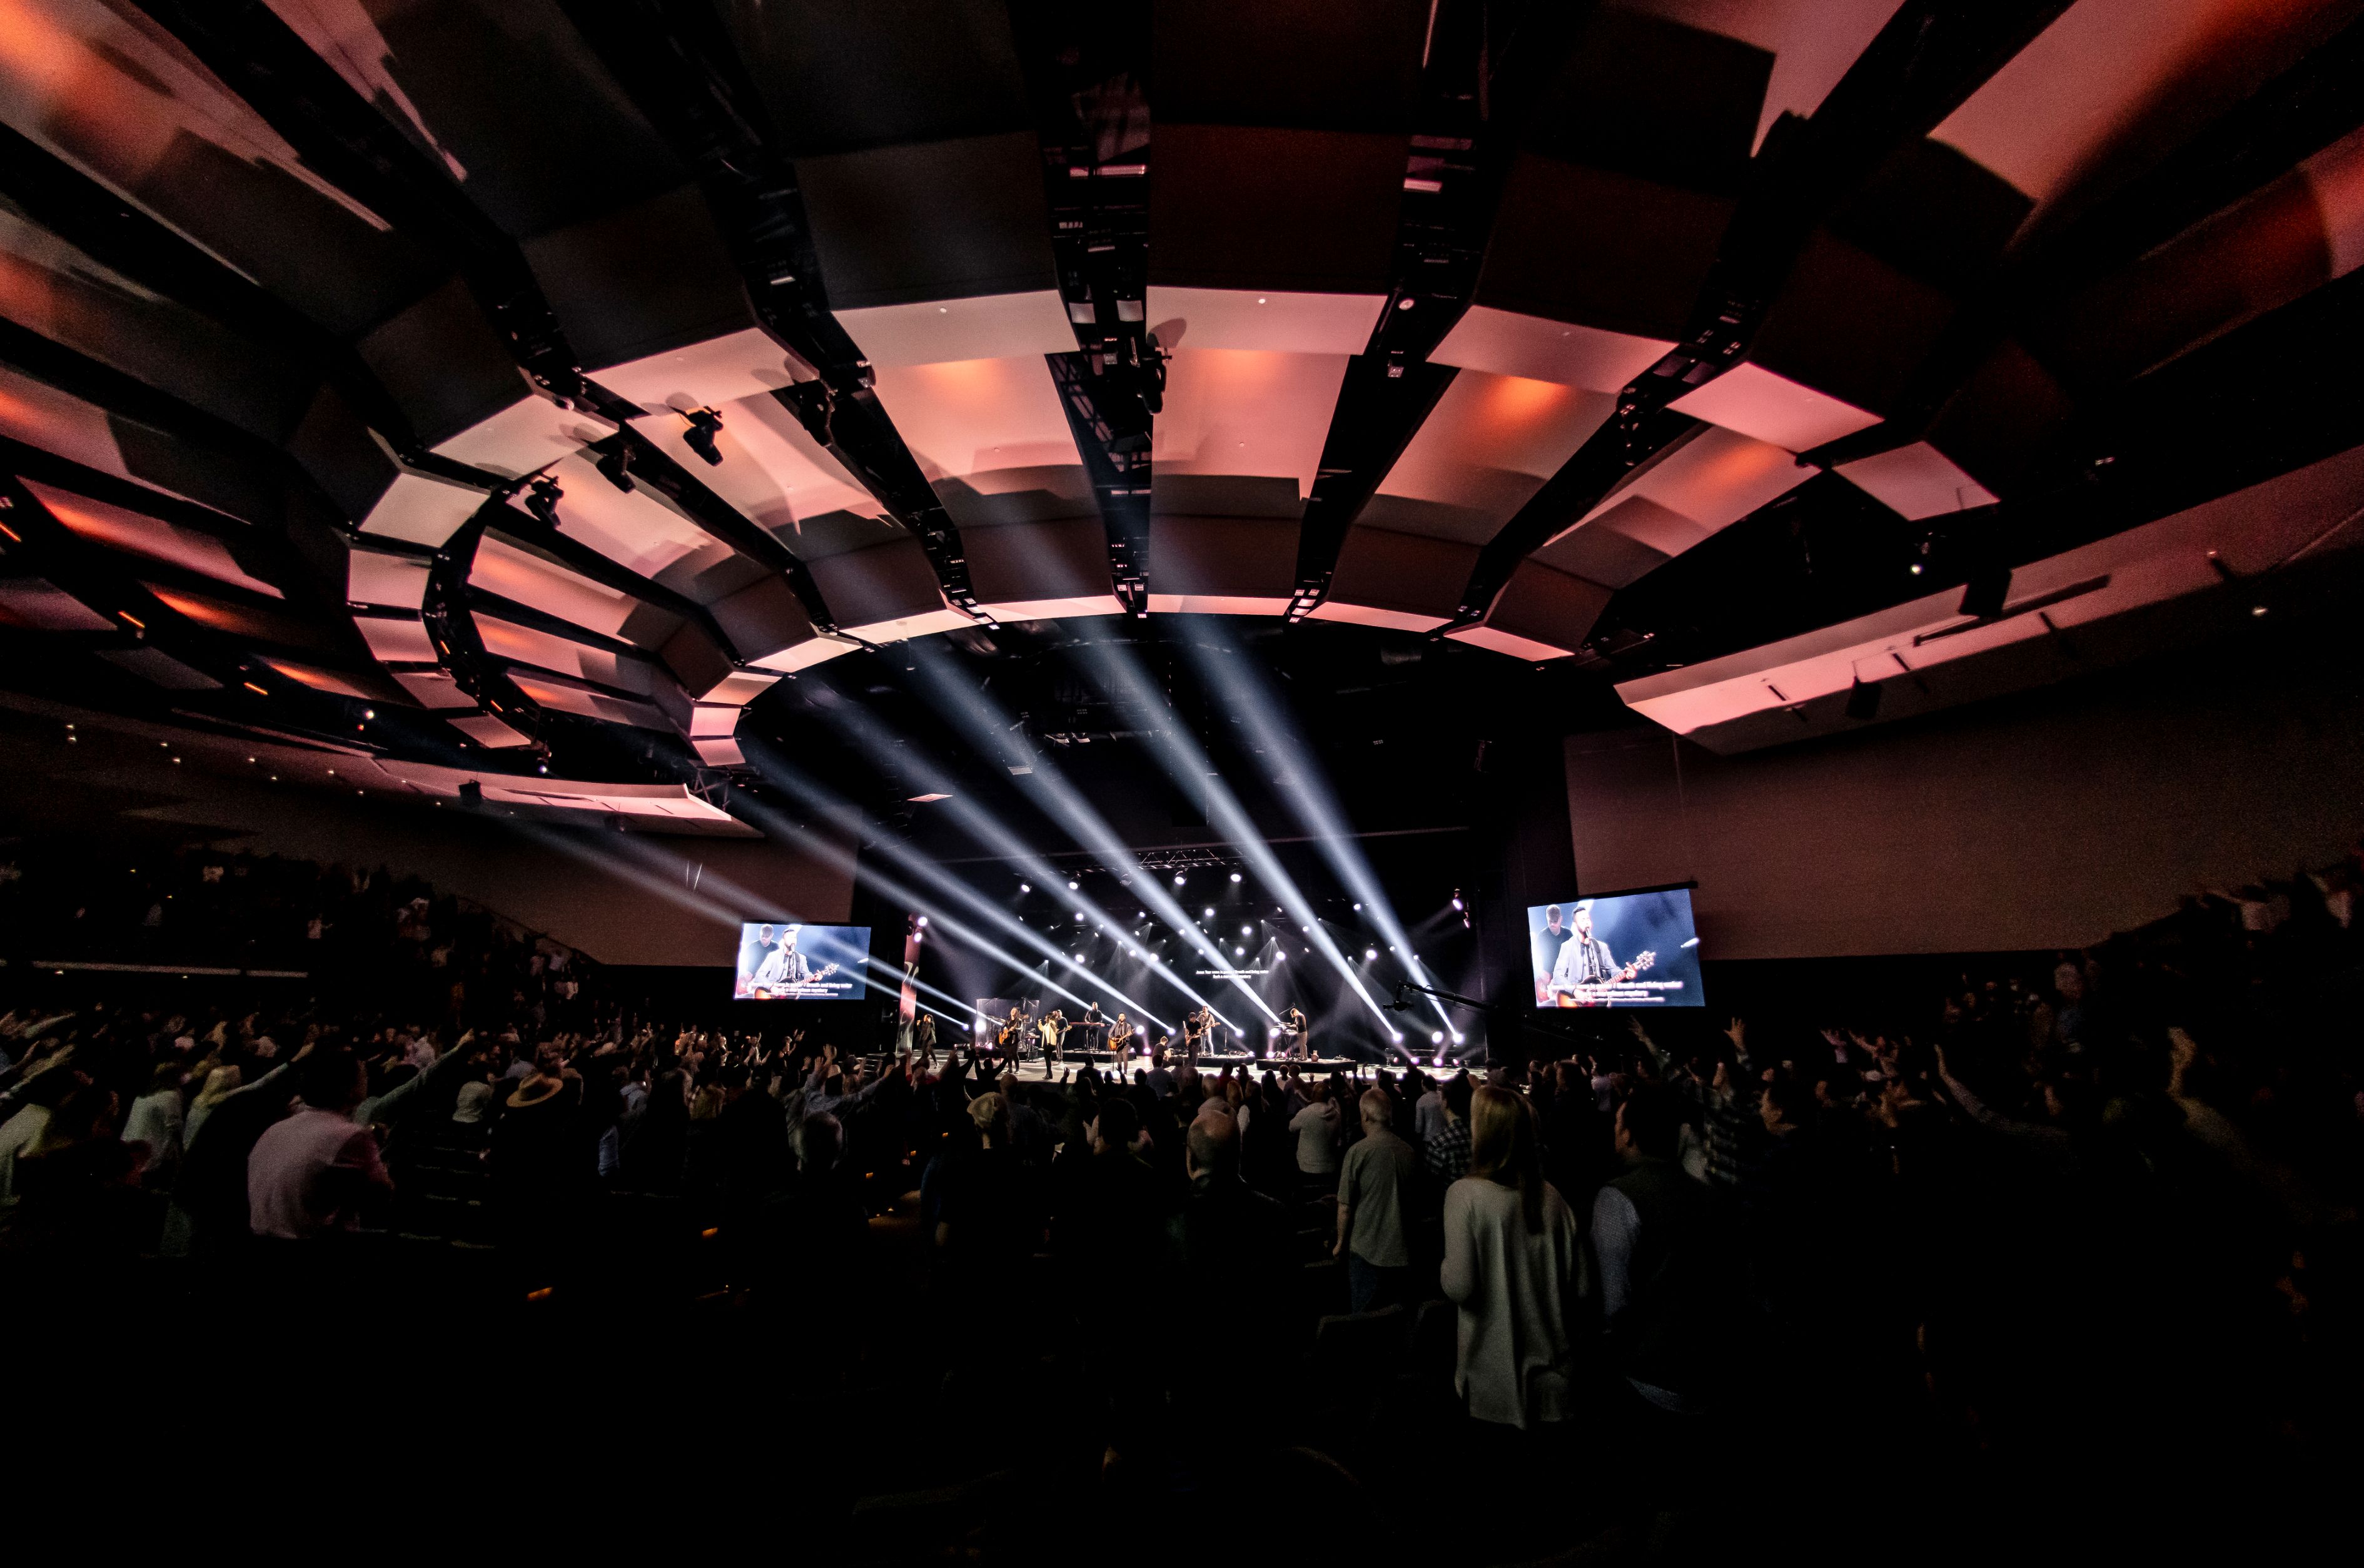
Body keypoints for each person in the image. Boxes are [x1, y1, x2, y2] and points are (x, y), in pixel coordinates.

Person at [1441, 1086, 1584, 1429]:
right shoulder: (1553, 1197)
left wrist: (1445, 1267)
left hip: (1493, 1387)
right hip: (1556, 1382)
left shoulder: (1465, 1195)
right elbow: (1581, 1288)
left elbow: (1460, 1287)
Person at [1592, 1084, 1724, 1413]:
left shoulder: (1617, 1198)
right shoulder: (1709, 1196)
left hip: (1644, 1374)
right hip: (1704, 1366)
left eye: (1618, 1126)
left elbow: (1614, 1303)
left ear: (1630, 1136)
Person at [246, 1048, 395, 1242]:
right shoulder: (352, 1136)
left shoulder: (276, 1129)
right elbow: (381, 1197)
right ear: (349, 1087)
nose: (368, 1079)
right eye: (364, 1075)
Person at [1335, 1086, 1418, 1311]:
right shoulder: (1409, 1151)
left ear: (1365, 1116)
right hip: (1404, 1252)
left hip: (1366, 1252)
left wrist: (1340, 1243)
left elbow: (1345, 1205)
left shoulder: (1357, 1152)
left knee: (1365, 1322)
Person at [1546, 903, 1645, 1003]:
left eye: (1588, 919)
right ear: (1575, 924)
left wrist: (1626, 975)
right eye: (1582, 920)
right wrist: (1574, 991)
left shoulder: (1602, 947)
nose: (1586, 922)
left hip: (1599, 1002)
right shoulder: (1567, 946)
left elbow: (1613, 970)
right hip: (1573, 1001)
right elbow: (1558, 976)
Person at [1289, 1077, 1341, 1191]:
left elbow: (1291, 1128)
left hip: (1306, 1168)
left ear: (1313, 1095)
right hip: (1331, 1168)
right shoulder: (1337, 1114)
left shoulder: (1306, 1113)